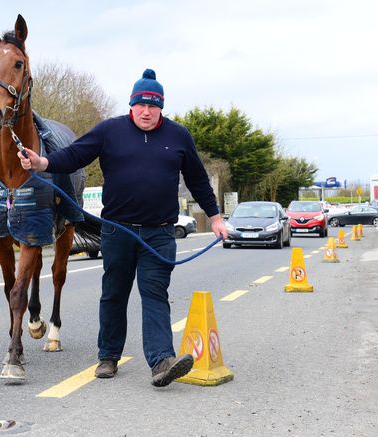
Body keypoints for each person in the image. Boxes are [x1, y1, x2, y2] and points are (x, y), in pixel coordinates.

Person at [18, 68, 228, 387]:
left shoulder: (178, 136)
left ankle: (161, 362)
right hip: (118, 231)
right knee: (114, 293)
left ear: (161, 107)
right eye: (140, 105)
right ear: (131, 105)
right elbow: (75, 155)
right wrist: (43, 163)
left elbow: (197, 179)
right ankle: (108, 356)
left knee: (154, 293)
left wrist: (214, 217)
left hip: (159, 233)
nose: (146, 111)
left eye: (153, 105)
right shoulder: (110, 131)